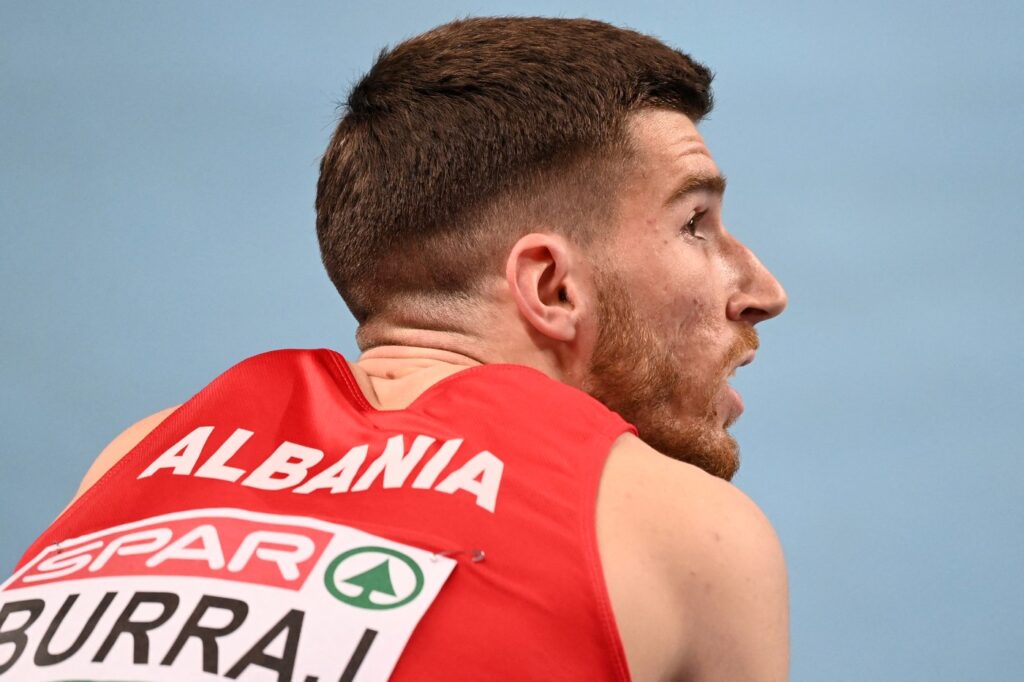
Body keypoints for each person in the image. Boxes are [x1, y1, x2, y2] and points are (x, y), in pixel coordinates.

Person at [1, 16, 789, 681]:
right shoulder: (687, 536)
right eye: (695, 224)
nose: (763, 289)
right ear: (550, 287)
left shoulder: (135, 460)